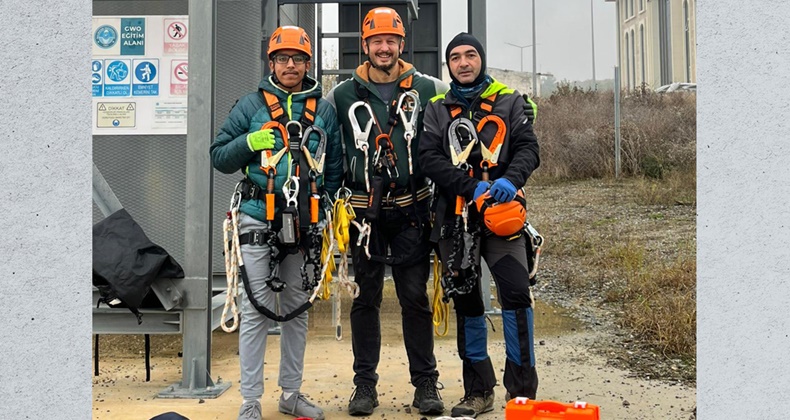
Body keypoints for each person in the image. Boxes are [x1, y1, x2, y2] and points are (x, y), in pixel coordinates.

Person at [210, 25, 342, 420]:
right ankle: (250, 399)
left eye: (297, 59)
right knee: (255, 309)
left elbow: (333, 170)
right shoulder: (251, 107)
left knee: (297, 309)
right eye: (282, 59)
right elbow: (219, 156)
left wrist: (323, 213)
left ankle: (291, 394)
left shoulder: (325, 112)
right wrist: (249, 143)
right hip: (257, 217)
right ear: (271, 63)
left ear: (307, 63)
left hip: (305, 222)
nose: (290, 65)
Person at [325, 6, 449, 417]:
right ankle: (365, 385)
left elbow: (462, 117)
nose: (384, 47)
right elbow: (326, 146)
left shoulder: (429, 89)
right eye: (376, 41)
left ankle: (426, 383)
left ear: (401, 44)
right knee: (365, 298)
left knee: (415, 296)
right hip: (363, 212)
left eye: (390, 41)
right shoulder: (342, 95)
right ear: (365, 46)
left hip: (413, 208)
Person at [418, 32, 540, 418]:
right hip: (455, 221)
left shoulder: (509, 100)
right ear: (448, 65)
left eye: (471, 55)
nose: (464, 62)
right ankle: (478, 390)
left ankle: (521, 393)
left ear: (481, 60)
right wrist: (471, 188)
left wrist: (510, 180)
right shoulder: (437, 108)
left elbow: (528, 148)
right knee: (469, 305)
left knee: (516, 295)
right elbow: (429, 160)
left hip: (503, 219)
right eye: (456, 57)